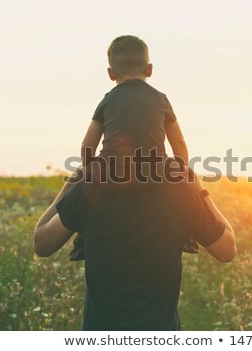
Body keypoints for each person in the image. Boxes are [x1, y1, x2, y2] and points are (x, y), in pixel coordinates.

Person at [33, 165, 237, 330]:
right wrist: (199, 189)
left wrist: (71, 185)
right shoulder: (181, 190)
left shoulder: (90, 187)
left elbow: (42, 244)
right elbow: (227, 250)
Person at [71, 35, 198, 259]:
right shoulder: (161, 99)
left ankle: (83, 236)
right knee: (181, 192)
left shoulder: (108, 100)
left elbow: (87, 145)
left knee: (89, 199)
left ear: (111, 74)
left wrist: (91, 173)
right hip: (155, 170)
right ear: (149, 69)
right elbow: (178, 142)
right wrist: (181, 171)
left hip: (112, 172)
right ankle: (186, 232)